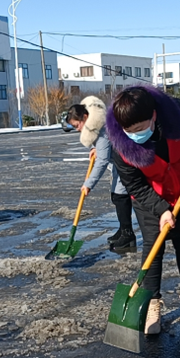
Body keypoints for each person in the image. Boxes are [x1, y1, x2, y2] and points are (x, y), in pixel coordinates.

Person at [106, 86, 180, 335]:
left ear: (154, 115)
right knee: (152, 247)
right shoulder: (120, 147)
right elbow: (134, 185)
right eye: (129, 131)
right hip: (148, 197)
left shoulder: (175, 113)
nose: (135, 134)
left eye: (139, 128)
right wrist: (162, 209)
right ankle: (152, 305)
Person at [66, 96, 136, 252]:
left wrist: (88, 184)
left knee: (120, 195)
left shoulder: (100, 128)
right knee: (116, 195)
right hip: (120, 159)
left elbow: (103, 161)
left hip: (126, 160)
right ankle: (123, 229)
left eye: (77, 125)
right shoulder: (96, 126)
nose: (77, 129)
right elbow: (105, 147)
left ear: (85, 117)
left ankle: (128, 235)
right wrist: (96, 148)